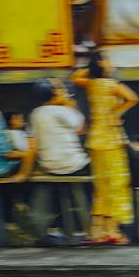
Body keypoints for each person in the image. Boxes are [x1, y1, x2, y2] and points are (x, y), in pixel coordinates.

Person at [71, 51, 138, 244]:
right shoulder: (112, 85)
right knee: (116, 185)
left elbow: (75, 77)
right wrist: (116, 112)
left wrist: (92, 67)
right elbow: (132, 98)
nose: (112, 63)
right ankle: (113, 232)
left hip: (96, 141)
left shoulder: (91, 84)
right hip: (112, 140)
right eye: (108, 59)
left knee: (100, 188)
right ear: (102, 63)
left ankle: (97, 232)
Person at [29, 78, 90, 245]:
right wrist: (71, 105)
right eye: (60, 88)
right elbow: (81, 128)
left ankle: (60, 226)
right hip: (72, 165)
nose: (64, 90)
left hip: (49, 166)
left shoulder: (36, 113)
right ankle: (85, 228)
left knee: (61, 191)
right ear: (54, 93)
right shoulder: (62, 110)